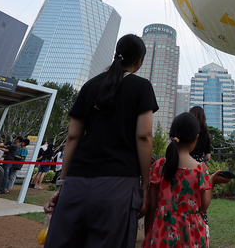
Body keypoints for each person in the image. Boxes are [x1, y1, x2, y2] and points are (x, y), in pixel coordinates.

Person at [43, 34, 159, 248]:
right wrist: (144, 185)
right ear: (139, 60)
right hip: (118, 185)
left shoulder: (89, 86)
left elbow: (72, 137)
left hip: (76, 182)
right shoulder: (141, 87)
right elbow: (144, 136)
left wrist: (62, 185)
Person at [143, 113, 231, 248]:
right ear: (195, 138)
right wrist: (212, 181)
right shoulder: (200, 169)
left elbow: (152, 207)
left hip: (161, 235)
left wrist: (148, 236)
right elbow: (202, 207)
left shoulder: (159, 166)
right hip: (192, 236)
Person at [188, 106, 212, 231]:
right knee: (201, 199)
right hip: (200, 167)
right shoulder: (206, 134)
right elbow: (207, 157)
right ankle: (203, 225)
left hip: (186, 165)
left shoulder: (188, 131)